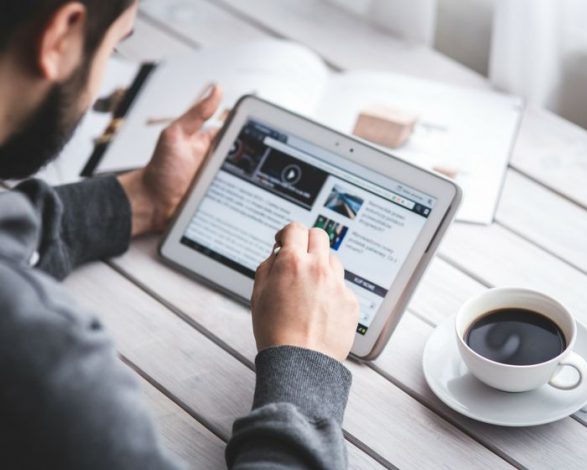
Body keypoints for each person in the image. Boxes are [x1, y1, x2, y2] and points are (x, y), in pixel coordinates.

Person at [0, 1, 360, 469]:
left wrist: (140, 199)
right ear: (61, 37)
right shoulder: (44, 365)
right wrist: (305, 364)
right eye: (113, 49)